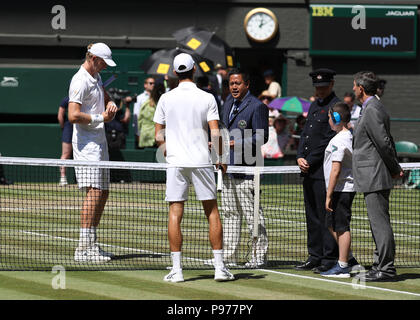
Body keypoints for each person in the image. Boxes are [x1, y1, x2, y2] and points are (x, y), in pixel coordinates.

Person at [153, 53, 234, 283]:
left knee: (175, 213)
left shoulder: (165, 98)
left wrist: (166, 148)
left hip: (176, 162)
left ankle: (177, 271)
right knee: (212, 212)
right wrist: (221, 155)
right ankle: (219, 268)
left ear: (175, 73)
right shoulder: (207, 97)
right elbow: (215, 131)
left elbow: (159, 132)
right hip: (200, 161)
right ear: (194, 70)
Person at [68, 42, 118, 262]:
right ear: (94, 58)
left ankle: (92, 245)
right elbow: (73, 115)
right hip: (86, 145)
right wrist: (101, 118)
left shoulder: (96, 77)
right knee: (94, 192)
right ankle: (82, 249)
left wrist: (111, 104)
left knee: (103, 192)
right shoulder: (79, 80)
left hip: (100, 141)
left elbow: (103, 97)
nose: (105, 67)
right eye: (103, 62)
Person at [352, 71, 403, 282]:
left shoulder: (372, 109)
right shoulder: (371, 108)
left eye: (354, 86)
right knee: (377, 223)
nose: (353, 89)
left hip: (375, 174)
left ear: (361, 89)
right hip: (372, 174)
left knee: (379, 223)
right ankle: (379, 264)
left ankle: (386, 268)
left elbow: (383, 142)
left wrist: (394, 167)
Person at [220, 68, 269, 268]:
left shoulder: (257, 106)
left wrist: (235, 142)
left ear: (247, 84)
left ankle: (259, 257)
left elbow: (261, 137)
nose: (234, 87)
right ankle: (229, 256)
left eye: (238, 83)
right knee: (230, 214)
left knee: (253, 215)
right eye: (231, 83)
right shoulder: (227, 103)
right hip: (227, 168)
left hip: (248, 169)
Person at [295, 68, 341, 273]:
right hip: (309, 170)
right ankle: (314, 255)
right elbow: (305, 134)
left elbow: (330, 138)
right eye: (317, 87)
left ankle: (328, 257)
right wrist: (299, 156)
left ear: (331, 85)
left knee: (325, 215)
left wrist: (310, 160)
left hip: (324, 169)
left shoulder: (337, 106)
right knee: (311, 215)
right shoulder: (314, 105)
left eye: (323, 87)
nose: (320, 90)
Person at [320, 102, 357, 278]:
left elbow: (336, 168)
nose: (328, 120)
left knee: (341, 226)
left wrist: (328, 194)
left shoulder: (340, 139)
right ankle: (349, 258)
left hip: (341, 189)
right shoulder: (343, 137)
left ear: (335, 118)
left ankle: (343, 265)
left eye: (329, 117)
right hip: (339, 189)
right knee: (331, 224)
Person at [138, 82, 166, 148]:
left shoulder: (163, 103)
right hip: (149, 138)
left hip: (155, 137)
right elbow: (140, 120)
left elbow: (140, 120)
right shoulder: (146, 104)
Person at [133, 77, 155, 148]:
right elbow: (136, 114)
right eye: (151, 83)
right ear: (145, 85)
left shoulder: (158, 97)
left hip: (155, 132)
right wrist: (137, 133)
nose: (153, 85)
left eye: (154, 83)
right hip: (144, 132)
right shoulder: (140, 98)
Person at [57, 96, 73, 186]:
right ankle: (63, 178)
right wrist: (64, 127)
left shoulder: (85, 99)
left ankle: (83, 180)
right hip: (69, 128)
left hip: (81, 128)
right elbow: (60, 116)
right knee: (65, 154)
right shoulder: (66, 100)